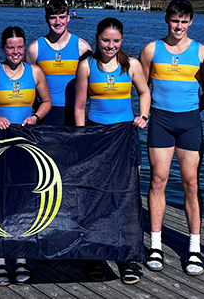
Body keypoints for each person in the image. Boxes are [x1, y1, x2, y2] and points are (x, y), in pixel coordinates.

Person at [0, 26, 51, 285]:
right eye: (10, 47)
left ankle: (21, 258)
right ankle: (0, 260)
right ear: (3, 48)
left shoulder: (35, 72)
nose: (15, 52)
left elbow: (47, 102)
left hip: (26, 144)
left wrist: (36, 117)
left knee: (24, 199)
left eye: (19, 47)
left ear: (24, 47)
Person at [138, 0, 204, 276]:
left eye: (184, 21)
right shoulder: (150, 50)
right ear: (167, 20)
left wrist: (192, 110)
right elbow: (142, 87)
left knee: (191, 184)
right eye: (174, 20)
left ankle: (194, 249)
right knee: (158, 180)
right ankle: (156, 245)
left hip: (189, 122)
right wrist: (143, 116)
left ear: (191, 21)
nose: (179, 25)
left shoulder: (203, 53)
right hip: (160, 120)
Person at [73, 18, 150, 284]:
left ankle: (128, 258)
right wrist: (83, 139)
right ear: (97, 38)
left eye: (116, 41)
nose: (110, 45)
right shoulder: (86, 66)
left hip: (125, 137)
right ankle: (94, 255)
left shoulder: (132, 65)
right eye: (106, 40)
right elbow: (80, 106)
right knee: (97, 197)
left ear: (122, 40)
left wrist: (143, 116)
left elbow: (144, 92)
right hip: (97, 136)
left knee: (127, 197)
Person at [26, 0, 91, 126]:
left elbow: (91, 83)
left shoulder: (82, 47)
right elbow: (28, 84)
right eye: (53, 17)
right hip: (45, 113)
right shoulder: (34, 49)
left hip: (73, 111)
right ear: (46, 19)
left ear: (68, 18)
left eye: (62, 17)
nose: (57, 22)